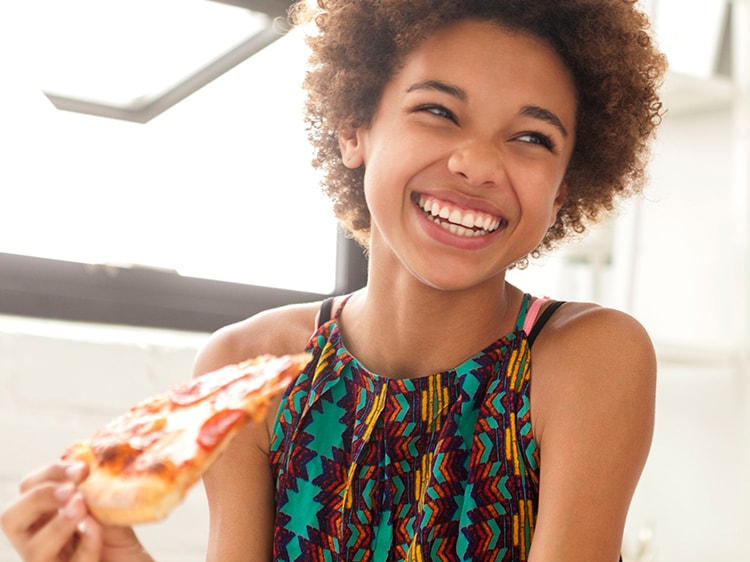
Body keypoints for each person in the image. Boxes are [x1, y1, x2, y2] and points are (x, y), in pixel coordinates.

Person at [1, 0, 667, 560]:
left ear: (564, 189)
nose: (477, 163)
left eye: (532, 138)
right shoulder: (247, 364)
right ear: (355, 129)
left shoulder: (589, 359)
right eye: (438, 110)